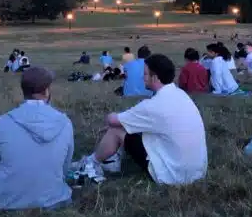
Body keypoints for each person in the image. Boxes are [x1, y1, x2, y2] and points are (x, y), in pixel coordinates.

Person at [76, 55, 207, 184]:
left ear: (155, 77)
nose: (142, 78)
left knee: (116, 130)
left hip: (173, 175)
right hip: (197, 172)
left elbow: (112, 120)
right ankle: (110, 161)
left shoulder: (153, 106)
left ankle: (91, 162)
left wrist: (114, 119)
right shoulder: (181, 94)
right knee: (128, 125)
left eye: (145, 74)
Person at [0, 66, 74, 210]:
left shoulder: (3, 121)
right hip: (54, 198)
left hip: (4, 201)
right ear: (46, 91)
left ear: (24, 91)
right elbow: (65, 166)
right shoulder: (65, 122)